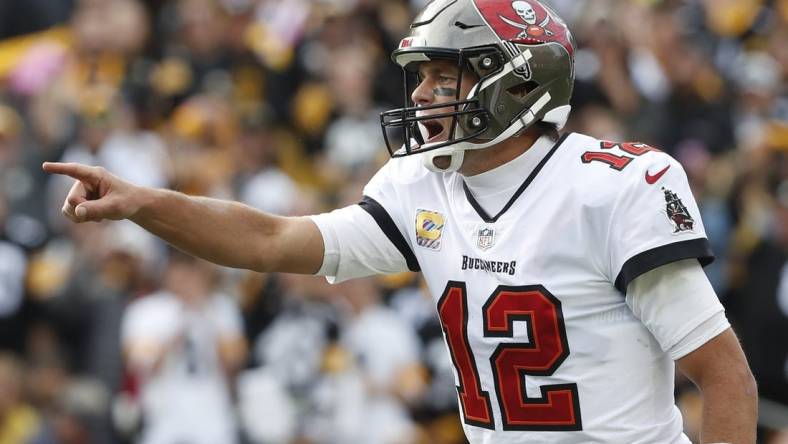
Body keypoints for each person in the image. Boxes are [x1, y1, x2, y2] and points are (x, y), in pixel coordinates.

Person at [44, 0, 757, 442]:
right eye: (419, 76)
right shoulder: (423, 187)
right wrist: (146, 203)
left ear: (521, 80)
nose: (422, 96)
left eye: (445, 75)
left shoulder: (615, 187)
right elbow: (270, 240)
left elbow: (724, 380)